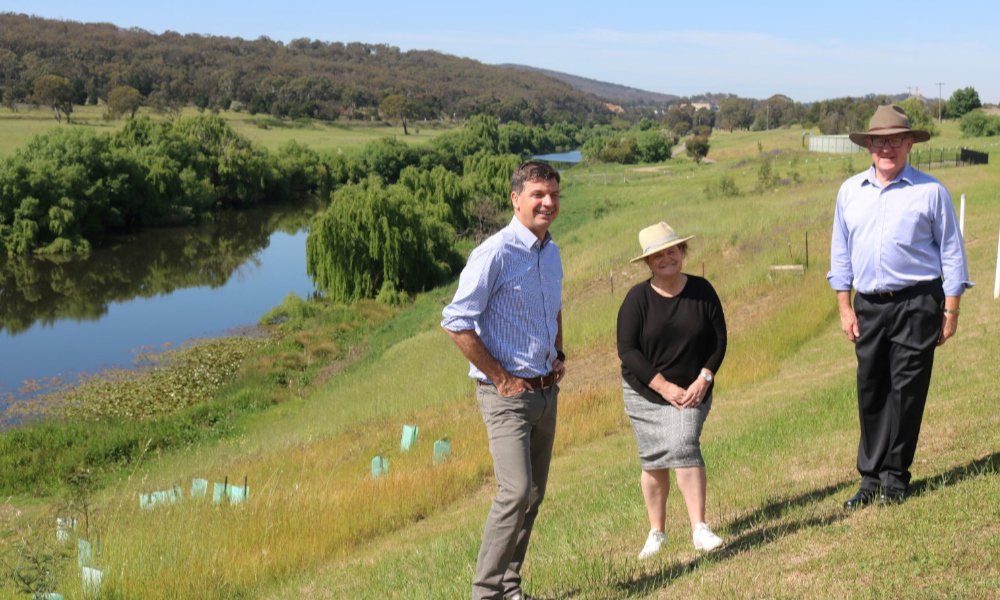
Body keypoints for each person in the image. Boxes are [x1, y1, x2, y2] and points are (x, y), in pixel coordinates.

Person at [828, 104, 973, 510]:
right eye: (879, 141)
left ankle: (895, 478)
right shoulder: (849, 193)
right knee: (871, 389)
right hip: (869, 306)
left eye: (895, 140)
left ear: (910, 144)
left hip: (917, 303)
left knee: (907, 391)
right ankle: (869, 479)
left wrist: (951, 309)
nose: (886, 147)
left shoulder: (931, 192)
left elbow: (951, 253)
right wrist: (844, 306)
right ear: (868, 146)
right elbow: (840, 255)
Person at [442, 160, 565, 600]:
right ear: (516, 199)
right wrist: (500, 378)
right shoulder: (495, 252)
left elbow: (553, 307)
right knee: (514, 492)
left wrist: (559, 353)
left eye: (553, 194)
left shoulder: (550, 251)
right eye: (538, 194)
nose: (547, 202)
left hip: (546, 393)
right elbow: (456, 321)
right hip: (507, 397)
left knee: (533, 494)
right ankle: (486, 593)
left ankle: (510, 588)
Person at [616, 221, 728, 559]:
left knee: (683, 442)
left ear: (682, 252)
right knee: (653, 460)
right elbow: (628, 351)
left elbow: (719, 341)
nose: (667, 258)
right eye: (658, 255)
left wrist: (704, 379)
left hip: (693, 389)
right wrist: (663, 387)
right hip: (645, 392)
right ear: (647, 263)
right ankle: (657, 533)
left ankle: (699, 529)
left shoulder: (702, 290)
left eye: (672, 251)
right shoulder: (636, 299)